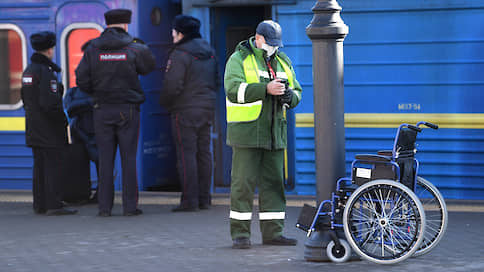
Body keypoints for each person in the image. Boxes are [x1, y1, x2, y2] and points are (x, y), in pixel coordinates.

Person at [224, 20, 302, 249]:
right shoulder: (238, 59)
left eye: (276, 44)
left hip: (274, 134)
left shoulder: (282, 60)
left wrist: (289, 96)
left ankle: (273, 233)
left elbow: (297, 90)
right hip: (247, 133)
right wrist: (265, 89)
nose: (273, 48)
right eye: (270, 44)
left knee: (274, 184)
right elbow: (232, 89)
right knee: (242, 185)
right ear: (258, 39)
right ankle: (240, 234)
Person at [75, 9, 156, 217]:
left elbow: (81, 79)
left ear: (107, 24)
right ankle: (130, 207)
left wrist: (96, 92)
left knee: (105, 159)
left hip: (101, 109)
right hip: (128, 109)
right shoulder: (134, 48)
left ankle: (104, 208)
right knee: (128, 159)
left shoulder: (93, 49)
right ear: (126, 25)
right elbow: (149, 67)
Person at [159, 15, 219, 212]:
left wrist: (167, 104)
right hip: (207, 108)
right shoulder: (209, 51)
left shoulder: (180, 53)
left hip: (184, 110)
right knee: (204, 153)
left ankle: (189, 201)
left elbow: (172, 86)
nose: (172, 36)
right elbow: (217, 80)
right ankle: (204, 199)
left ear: (180, 33)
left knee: (187, 155)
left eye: (174, 32)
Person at [20, 31, 77, 216]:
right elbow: (50, 104)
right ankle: (53, 204)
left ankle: (40, 203)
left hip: (33, 127)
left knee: (39, 167)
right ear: (50, 49)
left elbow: (25, 98)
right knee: (53, 166)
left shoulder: (29, 71)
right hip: (48, 129)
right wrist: (63, 121)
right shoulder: (46, 73)